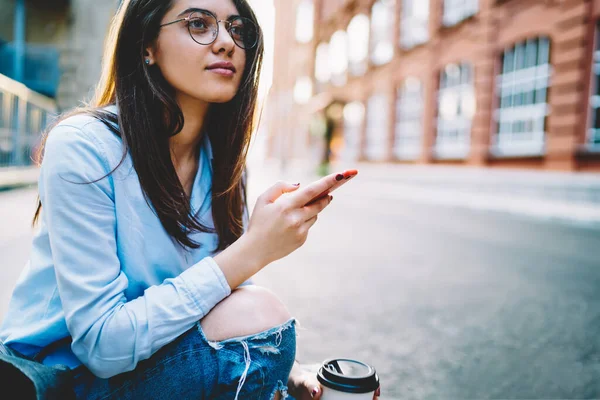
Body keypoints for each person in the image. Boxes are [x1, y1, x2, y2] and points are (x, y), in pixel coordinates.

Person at [0, 0, 381, 399]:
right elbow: (102, 346)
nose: (226, 43)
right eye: (199, 24)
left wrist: (295, 373)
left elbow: (227, 300)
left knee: (272, 341)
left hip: (153, 360)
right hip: (65, 378)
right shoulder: (84, 146)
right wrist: (254, 249)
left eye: (238, 29)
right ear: (147, 45)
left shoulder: (222, 162)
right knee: (261, 314)